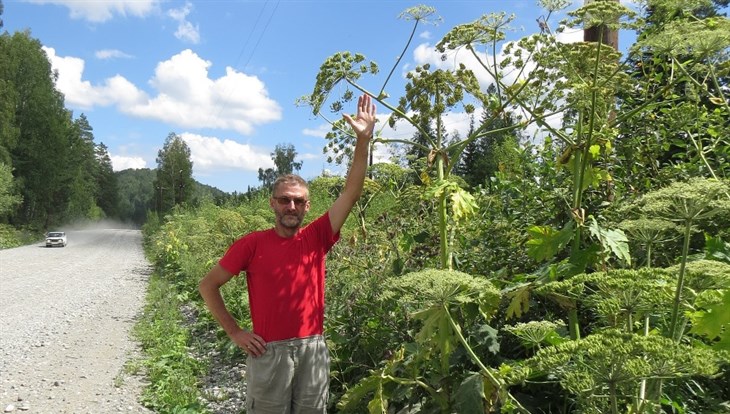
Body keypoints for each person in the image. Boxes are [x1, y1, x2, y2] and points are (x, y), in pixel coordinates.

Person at [198, 94, 376, 413]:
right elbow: (207, 285)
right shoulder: (251, 244)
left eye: (297, 201)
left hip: (313, 350)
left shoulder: (318, 236)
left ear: (307, 206)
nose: (290, 206)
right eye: (284, 200)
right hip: (269, 352)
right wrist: (235, 332)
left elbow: (352, 191)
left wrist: (363, 141)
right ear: (273, 204)